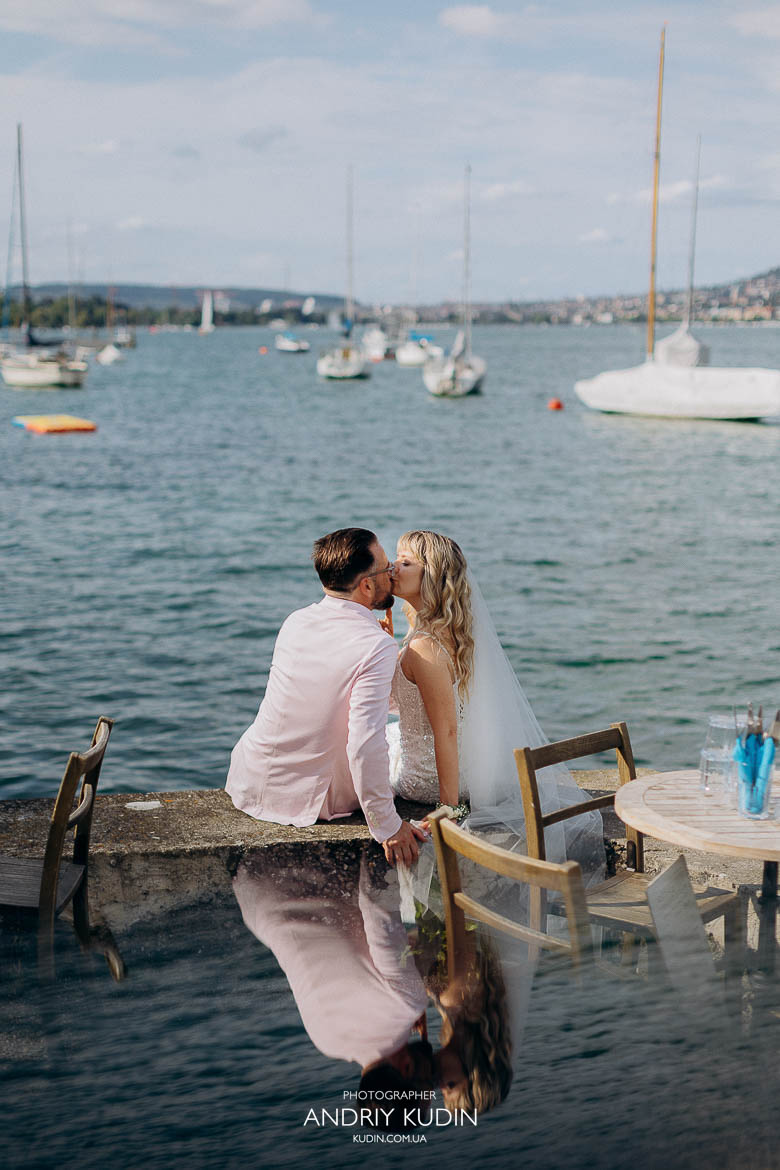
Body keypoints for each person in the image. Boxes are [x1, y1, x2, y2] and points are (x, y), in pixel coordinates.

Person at [388, 530, 605, 878]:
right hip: (473, 768)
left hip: (430, 781)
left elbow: (445, 729)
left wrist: (450, 807)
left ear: (431, 575)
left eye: (405, 562)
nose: (392, 566)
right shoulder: (456, 632)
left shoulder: (423, 648)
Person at [226, 527, 425, 866]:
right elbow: (364, 744)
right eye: (386, 565)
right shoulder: (374, 645)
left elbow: (327, 696)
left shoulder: (296, 621)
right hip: (310, 799)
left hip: (251, 779)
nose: (392, 571)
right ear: (365, 585)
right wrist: (388, 826)